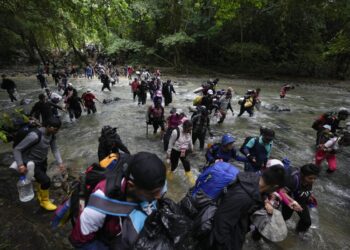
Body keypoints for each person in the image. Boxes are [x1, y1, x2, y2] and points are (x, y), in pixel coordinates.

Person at [70, 152, 166, 249]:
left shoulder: (153, 185)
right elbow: (78, 241)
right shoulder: (98, 208)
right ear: (131, 185)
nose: (158, 196)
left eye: (160, 190)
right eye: (153, 193)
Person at [211, 166, 285, 250]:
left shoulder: (252, 179)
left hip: (237, 226)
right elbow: (221, 224)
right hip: (226, 238)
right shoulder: (243, 197)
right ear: (274, 186)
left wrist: (264, 200)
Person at [13, 117, 65, 211]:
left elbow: (55, 149)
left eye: (58, 129)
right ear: (48, 126)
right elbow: (17, 149)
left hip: (42, 161)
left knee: (40, 180)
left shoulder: (52, 135)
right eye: (55, 129)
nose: (57, 131)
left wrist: (60, 163)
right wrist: (20, 164)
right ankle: (45, 202)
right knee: (46, 181)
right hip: (30, 162)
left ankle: (40, 197)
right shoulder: (34, 136)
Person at [282, 164, 320, 237]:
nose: (313, 181)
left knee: (306, 222)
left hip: (300, 199)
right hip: (290, 199)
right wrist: (292, 202)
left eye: (315, 178)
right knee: (285, 217)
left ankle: (298, 235)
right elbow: (282, 192)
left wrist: (309, 195)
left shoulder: (309, 180)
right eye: (310, 178)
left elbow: (307, 188)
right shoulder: (293, 180)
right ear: (302, 175)